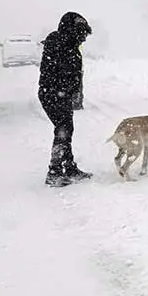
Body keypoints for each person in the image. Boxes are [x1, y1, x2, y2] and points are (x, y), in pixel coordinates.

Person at [38, 11, 93, 187]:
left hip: (62, 95)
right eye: (82, 33)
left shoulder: (71, 45)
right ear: (72, 30)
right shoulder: (57, 43)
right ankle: (54, 172)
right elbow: (56, 71)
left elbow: (74, 73)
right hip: (52, 94)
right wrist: (64, 88)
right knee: (63, 129)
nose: (84, 38)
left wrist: (74, 91)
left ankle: (68, 167)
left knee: (66, 128)